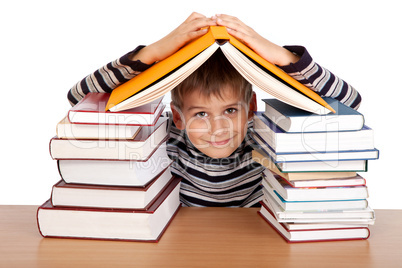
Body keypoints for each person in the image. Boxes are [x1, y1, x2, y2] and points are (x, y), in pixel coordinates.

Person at [67, 13, 361, 207]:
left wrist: (284, 57)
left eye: (231, 111)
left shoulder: (266, 138)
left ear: (251, 108)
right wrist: (151, 53)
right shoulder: (165, 139)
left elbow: (350, 104)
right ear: (179, 117)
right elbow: (79, 97)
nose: (218, 128)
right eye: (201, 114)